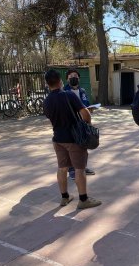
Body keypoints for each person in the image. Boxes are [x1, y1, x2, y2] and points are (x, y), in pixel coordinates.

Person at [43, 69, 102, 210]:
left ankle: (65, 197)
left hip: (58, 139)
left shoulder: (46, 101)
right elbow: (85, 113)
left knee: (62, 168)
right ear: (60, 81)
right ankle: (83, 199)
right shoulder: (69, 95)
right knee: (79, 169)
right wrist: (87, 125)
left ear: (47, 84)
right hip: (74, 139)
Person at [63, 69, 96, 180]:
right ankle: (72, 170)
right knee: (72, 148)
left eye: (75, 76)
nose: (73, 77)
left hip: (83, 123)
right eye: (71, 76)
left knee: (84, 145)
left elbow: (86, 104)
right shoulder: (64, 92)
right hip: (70, 124)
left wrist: (89, 109)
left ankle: (82, 167)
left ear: (79, 79)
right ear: (67, 79)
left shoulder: (82, 91)